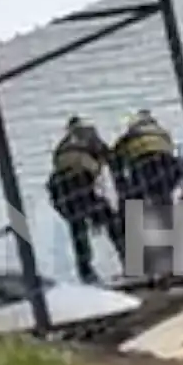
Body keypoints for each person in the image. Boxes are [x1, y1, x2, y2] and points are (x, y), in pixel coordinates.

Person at [46, 116, 126, 284]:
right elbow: (113, 160)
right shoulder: (90, 137)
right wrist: (123, 193)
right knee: (111, 220)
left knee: (78, 227)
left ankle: (85, 272)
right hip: (79, 182)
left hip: (58, 188)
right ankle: (128, 260)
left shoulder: (62, 146)